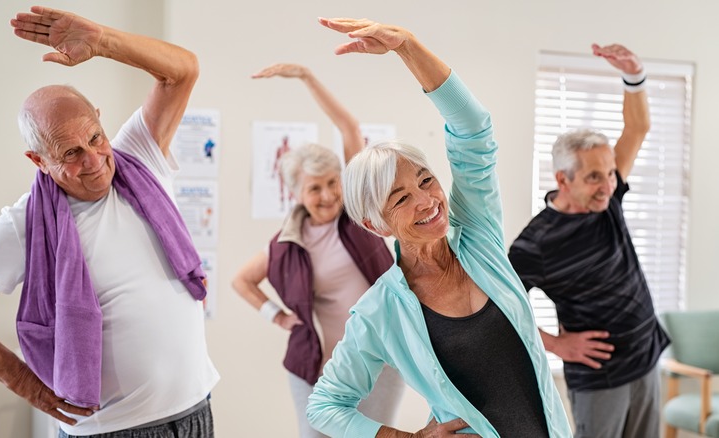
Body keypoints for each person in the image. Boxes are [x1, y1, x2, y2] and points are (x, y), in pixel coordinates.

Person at [0, 6, 218, 437]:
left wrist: (103, 41)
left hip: (195, 411)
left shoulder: (138, 158)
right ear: (39, 160)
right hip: (114, 431)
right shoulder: (24, 224)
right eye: (70, 153)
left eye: (95, 138)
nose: (95, 162)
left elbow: (182, 71)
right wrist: (24, 384)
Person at [306, 18, 572, 438]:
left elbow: (473, 130)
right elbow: (324, 405)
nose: (426, 200)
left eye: (425, 180)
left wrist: (407, 46)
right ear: (375, 224)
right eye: (400, 198)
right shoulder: (380, 310)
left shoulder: (478, 236)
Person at [232, 63, 406, 437]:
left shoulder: (359, 215)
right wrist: (275, 316)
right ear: (295, 193)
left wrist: (307, 78)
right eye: (314, 188)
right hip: (317, 369)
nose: (327, 195)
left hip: (379, 362)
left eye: (332, 183)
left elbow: (349, 128)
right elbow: (241, 281)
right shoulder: (287, 243)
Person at [508, 44, 669, 438]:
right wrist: (556, 345)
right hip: (601, 380)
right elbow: (499, 308)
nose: (608, 185)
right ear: (563, 179)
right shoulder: (536, 243)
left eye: (611, 173)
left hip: (646, 359)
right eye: (595, 177)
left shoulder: (608, 199)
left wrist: (634, 74)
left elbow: (637, 128)